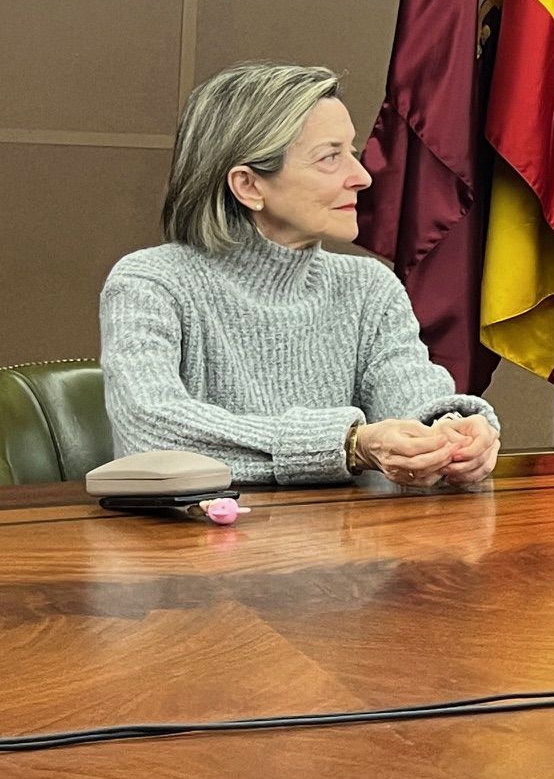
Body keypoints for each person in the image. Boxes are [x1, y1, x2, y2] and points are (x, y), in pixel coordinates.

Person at [99, 63, 502, 486]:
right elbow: (151, 431)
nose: (362, 176)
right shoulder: (149, 283)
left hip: (345, 545)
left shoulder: (368, 288)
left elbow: (413, 398)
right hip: (192, 547)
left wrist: (452, 431)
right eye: (330, 157)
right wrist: (346, 444)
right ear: (249, 186)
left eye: (351, 151)